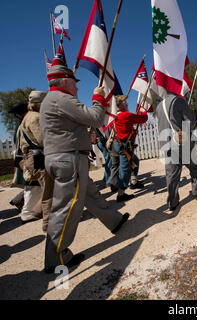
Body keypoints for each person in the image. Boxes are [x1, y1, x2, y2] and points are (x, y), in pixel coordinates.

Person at [40, 60, 119, 273]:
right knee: (66, 207)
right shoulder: (61, 98)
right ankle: (56, 257)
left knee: (88, 194)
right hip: (69, 159)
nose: (76, 86)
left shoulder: (54, 100)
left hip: (67, 157)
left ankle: (115, 221)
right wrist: (98, 97)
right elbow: (96, 117)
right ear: (65, 81)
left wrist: (85, 135)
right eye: (74, 82)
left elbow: (72, 126)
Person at [155, 92, 197, 211]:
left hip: (167, 144)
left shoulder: (159, 106)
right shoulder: (178, 101)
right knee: (194, 167)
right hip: (182, 143)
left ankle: (172, 202)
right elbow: (190, 121)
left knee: (172, 174)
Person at [18, 91, 54, 232]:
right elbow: (42, 140)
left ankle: (38, 212)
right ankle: (48, 224)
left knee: (48, 190)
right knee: (49, 192)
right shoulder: (35, 118)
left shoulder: (28, 117)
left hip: (35, 158)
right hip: (39, 158)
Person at [110, 95, 147, 202]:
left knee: (135, 161)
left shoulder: (116, 116)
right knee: (124, 170)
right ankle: (121, 194)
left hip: (119, 144)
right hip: (124, 146)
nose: (127, 104)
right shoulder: (126, 115)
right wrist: (143, 111)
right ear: (121, 105)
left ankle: (134, 182)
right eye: (125, 103)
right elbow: (143, 119)